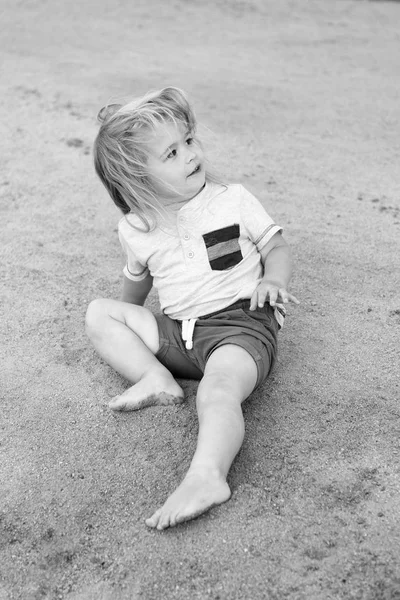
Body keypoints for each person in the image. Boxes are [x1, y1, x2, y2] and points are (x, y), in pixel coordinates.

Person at [86, 86, 299, 531]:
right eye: (171, 152)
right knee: (99, 314)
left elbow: (275, 247)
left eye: (188, 140)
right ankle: (155, 377)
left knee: (216, 391)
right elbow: (135, 285)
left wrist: (272, 280)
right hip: (181, 333)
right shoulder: (136, 228)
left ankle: (207, 477)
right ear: (137, 179)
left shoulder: (231, 199)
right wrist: (130, 328)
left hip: (240, 328)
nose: (189, 153)